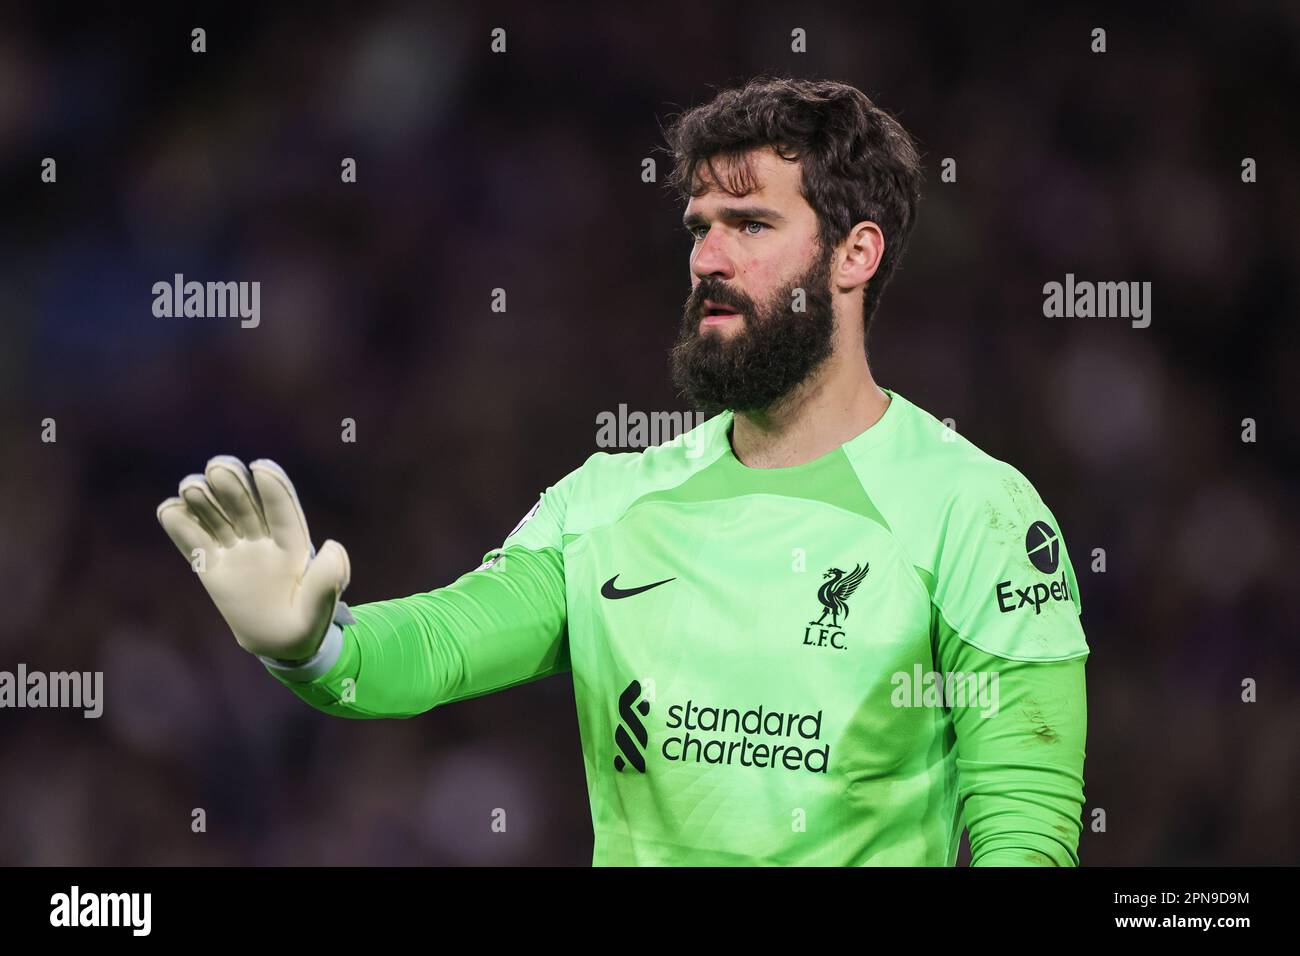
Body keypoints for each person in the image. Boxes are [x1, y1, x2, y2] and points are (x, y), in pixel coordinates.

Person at [158, 76, 1089, 866]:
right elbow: (437, 647)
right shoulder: (605, 500)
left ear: (855, 254)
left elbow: (1028, 835)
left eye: (751, 224)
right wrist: (311, 647)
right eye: (700, 227)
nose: (708, 259)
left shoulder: (977, 512)